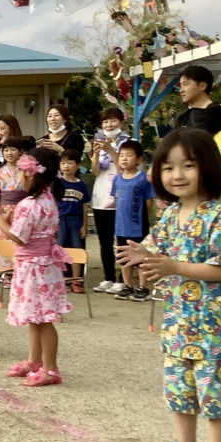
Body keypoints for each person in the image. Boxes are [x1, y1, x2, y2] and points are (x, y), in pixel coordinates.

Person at [118, 128, 221, 442]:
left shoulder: (220, 216)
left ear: (208, 166)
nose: (177, 175)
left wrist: (175, 267)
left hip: (216, 329)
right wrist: (141, 255)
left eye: (188, 165)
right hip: (179, 323)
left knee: (215, 393)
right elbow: (155, 251)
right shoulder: (169, 215)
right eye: (168, 167)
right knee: (180, 388)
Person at [0, 148, 72, 387]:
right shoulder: (48, 200)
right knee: (36, 317)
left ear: (32, 174)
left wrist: (0, 221)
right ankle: (35, 360)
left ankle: (50, 368)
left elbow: (19, 236)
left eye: (22, 172)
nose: (19, 178)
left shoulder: (29, 204)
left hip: (33, 267)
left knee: (43, 319)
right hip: (43, 265)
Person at [110, 140, 156, 302]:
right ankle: (127, 285)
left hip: (138, 226)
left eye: (129, 155)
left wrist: (142, 218)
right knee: (123, 257)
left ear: (139, 159)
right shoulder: (117, 179)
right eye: (121, 155)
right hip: (121, 226)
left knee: (141, 258)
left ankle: (143, 287)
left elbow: (149, 201)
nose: (124, 158)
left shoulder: (143, 179)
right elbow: (116, 200)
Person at [90, 109, 129, 294]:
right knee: (104, 241)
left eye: (113, 120)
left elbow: (124, 168)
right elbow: (95, 171)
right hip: (100, 196)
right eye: (105, 122)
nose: (109, 125)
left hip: (120, 197)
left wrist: (111, 150)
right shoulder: (98, 142)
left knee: (122, 240)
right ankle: (108, 277)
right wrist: (97, 153)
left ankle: (123, 280)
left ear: (121, 122)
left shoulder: (128, 143)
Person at [175, 65, 221, 175]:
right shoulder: (183, 117)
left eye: (186, 84)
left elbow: (196, 141)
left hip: (210, 174)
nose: (181, 90)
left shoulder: (215, 110)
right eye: (180, 85)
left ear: (202, 85)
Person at [57, 149, 91, 290]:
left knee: (77, 249)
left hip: (76, 221)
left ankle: (76, 280)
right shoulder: (57, 183)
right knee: (59, 248)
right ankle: (59, 279)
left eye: (70, 163)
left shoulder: (81, 185)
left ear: (78, 165)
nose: (66, 166)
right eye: (63, 163)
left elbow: (85, 207)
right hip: (60, 220)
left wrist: (84, 225)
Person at [0, 137, 27, 242]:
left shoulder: (26, 171)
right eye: (6, 150)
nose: (9, 153)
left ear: (20, 151)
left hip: (23, 212)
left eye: (13, 149)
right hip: (3, 213)